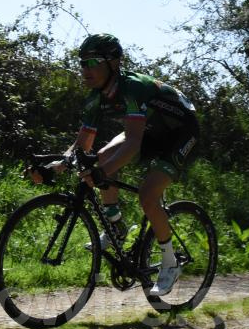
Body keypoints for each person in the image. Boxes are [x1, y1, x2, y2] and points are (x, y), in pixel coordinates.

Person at [31, 33, 199, 296]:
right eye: (82, 63)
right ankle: (116, 225)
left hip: (179, 131)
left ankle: (170, 262)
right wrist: (55, 166)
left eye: (93, 62)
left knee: (147, 194)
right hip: (148, 129)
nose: (85, 69)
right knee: (97, 159)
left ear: (114, 63)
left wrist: (101, 173)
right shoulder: (96, 97)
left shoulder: (132, 87)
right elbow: (81, 148)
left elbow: (132, 144)